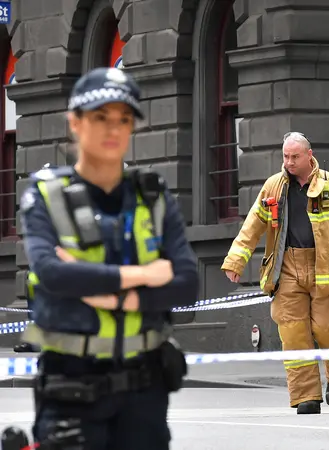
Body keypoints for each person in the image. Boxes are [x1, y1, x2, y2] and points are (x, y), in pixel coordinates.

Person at [17, 67, 199, 449]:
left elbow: (186, 284)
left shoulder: (153, 194)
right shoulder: (46, 194)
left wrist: (117, 294)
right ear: (75, 123)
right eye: (100, 117)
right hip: (72, 387)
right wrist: (144, 275)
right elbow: (53, 275)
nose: (113, 129)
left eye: (123, 119)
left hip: (145, 387)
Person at [221, 132, 329, 414]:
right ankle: (306, 397)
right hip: (286, 268)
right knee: (293, 334)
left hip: (326, 269)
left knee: (327, 330)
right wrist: (235, 260)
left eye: (295, 157)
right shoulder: (273, 187)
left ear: (309, 155)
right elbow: (252, 225)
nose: (289, 162)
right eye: (285, 157)